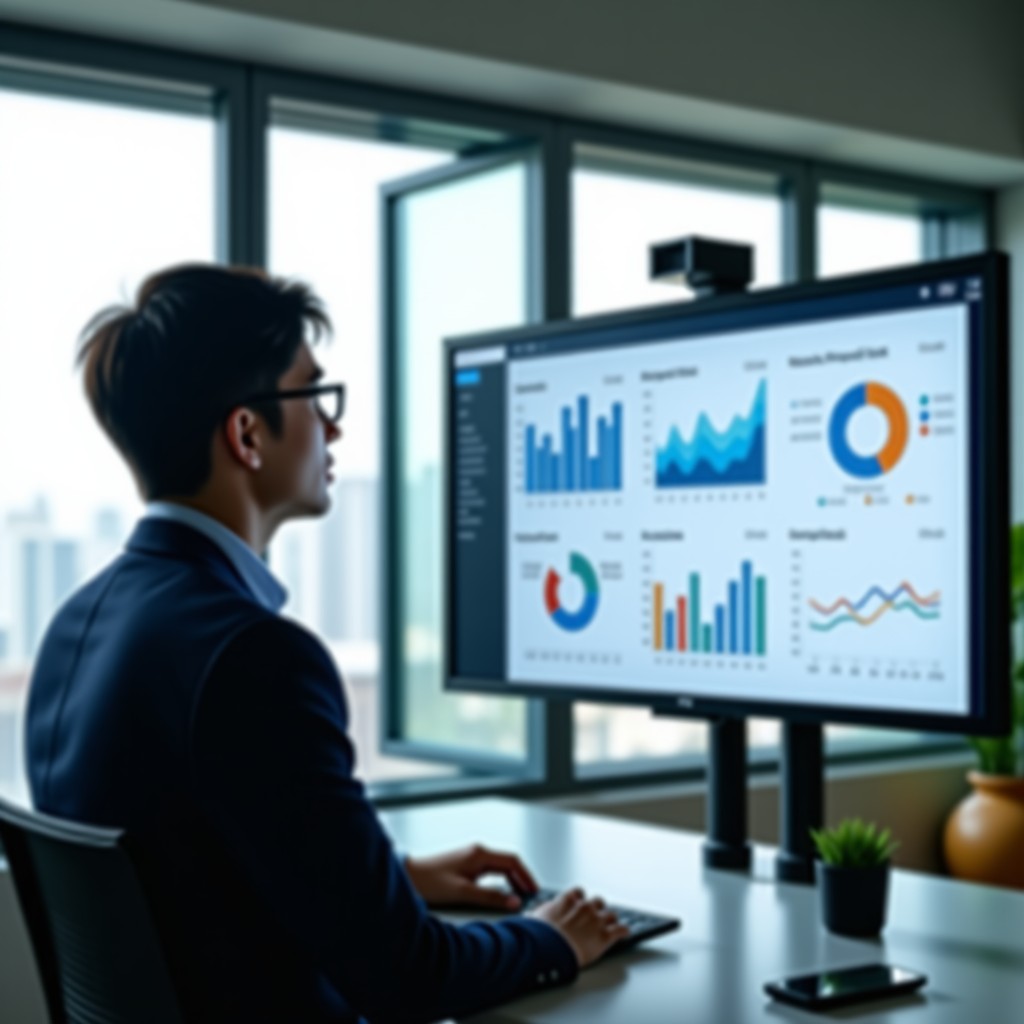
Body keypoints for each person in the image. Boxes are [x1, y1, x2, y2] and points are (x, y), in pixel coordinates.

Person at [24, 265, 628, 1023]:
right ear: (247, 434)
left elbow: (188, 879)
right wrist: (551, 941)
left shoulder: (75, 627)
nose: (334, 426)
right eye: (314, 394)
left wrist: (393, 881)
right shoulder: (253, 656)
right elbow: (411, 980)